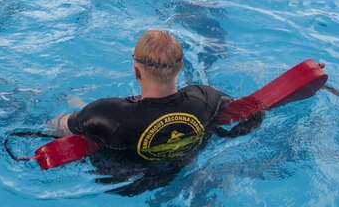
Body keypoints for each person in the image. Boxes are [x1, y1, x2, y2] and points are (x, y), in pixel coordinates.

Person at [47, 30, 235, 162]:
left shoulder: (107, 113)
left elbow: (55, 128)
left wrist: (79, 113)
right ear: (181, 66)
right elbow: (242, 110)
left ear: (137, 72)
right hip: (187, 162)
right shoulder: (204, 98)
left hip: (127, 183)